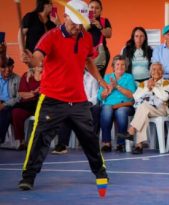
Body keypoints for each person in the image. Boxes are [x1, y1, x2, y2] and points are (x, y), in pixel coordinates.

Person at [18, 0, 109, 191]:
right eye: (73, 21)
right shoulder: (50, 36)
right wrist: (30, 59)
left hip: (78, 99)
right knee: (40, 138)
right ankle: (28, 177)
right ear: (65, 16)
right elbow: (37, 57)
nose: (77, 26)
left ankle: (100, 171)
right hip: (52, 98)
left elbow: (88, 60)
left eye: (80, 22)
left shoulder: (86, 37)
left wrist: (100, 80)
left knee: (89, 138)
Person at [123, 62, 169, 154]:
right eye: (153, 69)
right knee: (143, 109)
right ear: (150, 72)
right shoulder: (143, 84)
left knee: (142, 107)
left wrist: (154, 87)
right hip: (145, 109)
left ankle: (132, 130)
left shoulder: (166, 83)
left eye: (159, 69)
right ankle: (138, 145)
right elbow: (136, 97)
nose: (156, 71)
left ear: (163, 72)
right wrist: (147, 88)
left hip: (160, 110)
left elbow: (165, 97)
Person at [52, 70, 100, 155]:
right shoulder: (69, 77)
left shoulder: (92, 78)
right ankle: (62, 145)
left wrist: (88, 103)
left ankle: (90, 142)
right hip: (74, 103)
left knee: (96, 109)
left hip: (88, 104)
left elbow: (95, 95)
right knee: (66, 112)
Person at [98, 55, 136, 152]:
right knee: (106, 109)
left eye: (123, 65)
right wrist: (107, 91)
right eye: (118, 64)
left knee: (121, 112)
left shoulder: (129, 77)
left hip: (125, 105)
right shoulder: (107, 77)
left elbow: (132, 96)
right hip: (109, 105)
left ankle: (121, 143)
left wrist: (117, 86)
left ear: (126, 66)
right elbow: (99, 96)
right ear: (113, 66)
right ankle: (106, 142)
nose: (120, 67)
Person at [11, 63, 42, 151]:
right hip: (27, 104)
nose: (40, 64)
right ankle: (22, 141)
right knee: (16, 112)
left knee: (44, 115)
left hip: (42, 104)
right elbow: (22, 94)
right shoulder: (26, 76)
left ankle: (37, 142)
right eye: (38, 62)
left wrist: (31, 93)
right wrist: (35, 93)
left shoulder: (49, 76)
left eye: (42, 62)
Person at [88, 0, 112, 77]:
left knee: (99, 78)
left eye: (97, 8)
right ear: (88, 9)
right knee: (86, 78)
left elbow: (108, 34)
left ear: (101, 10)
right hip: (86, 54)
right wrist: (86, 24)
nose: (94, 10)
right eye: (91, 7)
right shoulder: (83, 21)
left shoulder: (104, 21)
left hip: (101, 54)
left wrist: (100, 26)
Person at [0, 57, 20, 144]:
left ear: (13, 67)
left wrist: (5, 104)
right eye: (4, 67)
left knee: (6, 111)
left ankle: (0, 138)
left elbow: (18, 97)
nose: (7, 70)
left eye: (9, 66)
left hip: (10, 104)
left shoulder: (17, 78)